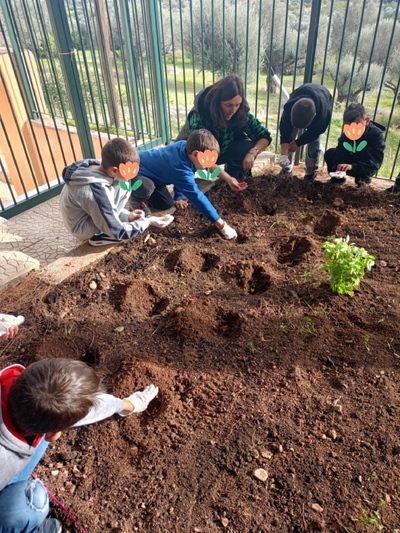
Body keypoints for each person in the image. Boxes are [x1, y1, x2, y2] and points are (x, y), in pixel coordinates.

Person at [0, 358, 159, 533]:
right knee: (32, 502)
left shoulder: (20, 390)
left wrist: (127, 404)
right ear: (54, 434)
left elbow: (86, 410)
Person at [60, 138, 174, 247]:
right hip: (82, 227)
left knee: (122, 184)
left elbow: (105, 205)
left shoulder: (99, 167)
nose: (130, 178)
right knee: (122, 186)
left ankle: (111, 222)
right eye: (128, 173)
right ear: (114, 170)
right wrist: (147, 222)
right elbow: (117, 230)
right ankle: (100, 236)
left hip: (90, 212)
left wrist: (127, 216)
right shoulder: (95, 190)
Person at [131, 129, 238, 239]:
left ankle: (147, 192)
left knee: (166, 204)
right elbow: (197, 197)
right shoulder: (180, 169)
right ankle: (137, 200)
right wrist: (222, 225)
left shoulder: (185, 147)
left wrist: (177, 197)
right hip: (135, 170)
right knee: (145, 187)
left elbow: (180, 177)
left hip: (155, 177)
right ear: (196, 154)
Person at [176, 74, 272, 184]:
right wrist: (226, 178)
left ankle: (235, 176)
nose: (233, 110)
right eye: (228, 105)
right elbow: (202, 156)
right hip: (193, 155)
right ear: (217, 102)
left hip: (221, 150)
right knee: (187, 182)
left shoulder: (240, 112)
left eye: (237, 105)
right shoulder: (200, 115)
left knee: (248, 146)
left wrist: (252, 153)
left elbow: (264, 136)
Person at [278, 83, 332, 182]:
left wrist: (298, 143)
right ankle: (286, 169)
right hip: (303, 93)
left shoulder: (322, 115)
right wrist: (284, 155)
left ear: (314, 115)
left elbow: (315, 133)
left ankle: (310, 173)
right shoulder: (288, 108)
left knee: (314, 146)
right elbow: (285, 131)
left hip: (323, 97)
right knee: (290, 137)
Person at [324, 103, 386, 188]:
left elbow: (375, 162)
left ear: (367, 121)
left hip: (364, 164)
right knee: (330, 153)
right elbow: (341, 151)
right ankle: (338, 179)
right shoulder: (347, 133)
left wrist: (353, 166)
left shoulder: (376, 135)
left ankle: (363, 181)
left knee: (366, 156)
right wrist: (340, 165)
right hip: (350, 160)